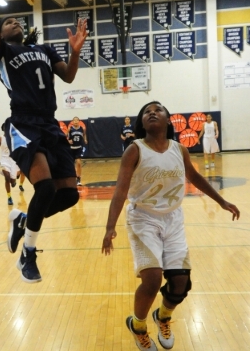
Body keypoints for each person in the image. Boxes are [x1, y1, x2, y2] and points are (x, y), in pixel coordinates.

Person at [0, 0, 88, 284]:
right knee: (43, 187)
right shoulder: (2, 54)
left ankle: (21, 221)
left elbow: (70, 76)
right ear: (1, 36)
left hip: (49, 123)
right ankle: (28, 254)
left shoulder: (44, 49)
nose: (11, 21)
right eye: (6, 23)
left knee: (69, 195)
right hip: (24, 124)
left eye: (15, 20)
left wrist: (74, 52)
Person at [102, 101, 240, 351]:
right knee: (153, 279)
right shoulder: (134, 150)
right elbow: (120, 190)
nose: (152, 112)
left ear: (168, 120)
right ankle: (139, 326)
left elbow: (195, 177)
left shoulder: (179, 149)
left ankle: (162, 317)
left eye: (158, 110)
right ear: (141, 123)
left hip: (173, 219)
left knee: (180, 284)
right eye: (146, 111)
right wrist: (109, 228)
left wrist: (221, 200)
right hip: (143, 218)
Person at [0, 123, 19, 205]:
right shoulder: (0, 139)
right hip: (4, 160)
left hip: (13, 160)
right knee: (7, 176)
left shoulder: (14, 138)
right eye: (6, 128)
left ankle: (13, 181)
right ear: (3, 129)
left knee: (12, 181)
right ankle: (9, 197)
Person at [67, 116, 87, 186]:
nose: (75, 122)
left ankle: (78, 179)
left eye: (77, 120)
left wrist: (85, 139)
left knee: (78, 163)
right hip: (71, 148)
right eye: (74, 120)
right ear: (72, 122)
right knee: (71, 165)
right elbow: (67, 137)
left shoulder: (82, 129)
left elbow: (84, 135)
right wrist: (68, 140)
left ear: (79, 121)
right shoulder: (70, 129)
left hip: (78, 148)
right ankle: (71, 179)